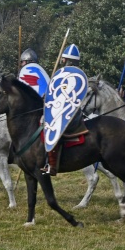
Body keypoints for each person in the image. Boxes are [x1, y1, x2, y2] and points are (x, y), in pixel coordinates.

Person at [42, 44, 87, 175]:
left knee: (53, 129)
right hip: (61, 109)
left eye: (64, 59)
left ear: (66, 60)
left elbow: (70, 98)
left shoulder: (75, 76)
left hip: (71, 113)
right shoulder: (63, 74)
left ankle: (52, 165)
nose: (62, 61)